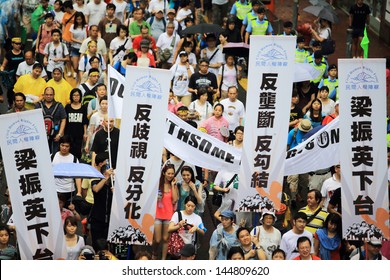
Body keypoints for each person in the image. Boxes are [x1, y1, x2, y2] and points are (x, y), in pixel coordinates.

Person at [88, 152, 114, 251]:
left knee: (108, 246)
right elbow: (96, 189)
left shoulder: (113, 183)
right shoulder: (95, 178)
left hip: (110, 219)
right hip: (97, 218)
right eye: (106, 164)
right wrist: (105, 178)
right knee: (96, 244)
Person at [153, 164, 179, 260]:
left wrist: (173, 185)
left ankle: (163, 259)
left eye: (172, 173)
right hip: (158, 215)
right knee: (157, 239)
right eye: (168, 173)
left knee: (165, 239)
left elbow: (174, 200)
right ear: (164, 173)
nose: (170, 175)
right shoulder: (157, 184)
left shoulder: (174, 185)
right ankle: (155, 253)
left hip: (169, 216)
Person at [168, 195, 206, 259]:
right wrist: (179, 225)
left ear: (195, 207)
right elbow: (169, 229)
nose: (190, 208)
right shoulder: (177, 214)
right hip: (177, 247)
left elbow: (203, 231)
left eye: (192, 206)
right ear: (184, 204)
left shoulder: (197, 218)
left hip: (189, 249)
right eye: (188, 205)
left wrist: (197, 228)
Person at [36, 87, 67, 154]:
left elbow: (63, 120)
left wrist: (60, 134)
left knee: (54, 155)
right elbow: (35, 120)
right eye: (47, 94)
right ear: (43, 95)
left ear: (53, 95)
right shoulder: (38, 105)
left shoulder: (59, 106)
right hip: (41, 137)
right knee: (42, 154)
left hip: (55, 136)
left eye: (50, 95)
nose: (48, 96)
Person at [52, 135, 83, 202]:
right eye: (62, 145)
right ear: (59, 145)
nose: (64, 148)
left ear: (70, 147)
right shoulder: (53, 156)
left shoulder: (74, 159)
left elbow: (78, 177)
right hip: (54, 189)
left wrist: (79, 192)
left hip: (69, 190)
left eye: (67, 146)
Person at [65, 88, 89, 160]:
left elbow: (85, 121)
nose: (76, 97)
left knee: (78, 151)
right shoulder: (67, 107)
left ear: (80, 96)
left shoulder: (84, 107)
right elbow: (64, 120)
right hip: (69, 133)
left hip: (79, 133)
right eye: (74, 95)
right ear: (71, 96)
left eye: (78, 95)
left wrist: (85, 133)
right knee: (69, 151)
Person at [69, 11, 88, 80]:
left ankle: (81, 78)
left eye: (80, 19)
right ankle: (77, 74)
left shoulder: (85, 27)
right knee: (75, 66)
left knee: (81, 66)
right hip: (75, 48)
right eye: (77, 19)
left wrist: (83, 43)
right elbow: (71, 38)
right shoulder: (72, 26)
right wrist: (80, 41)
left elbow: (86, 37)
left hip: (82, 49)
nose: (79, 21)